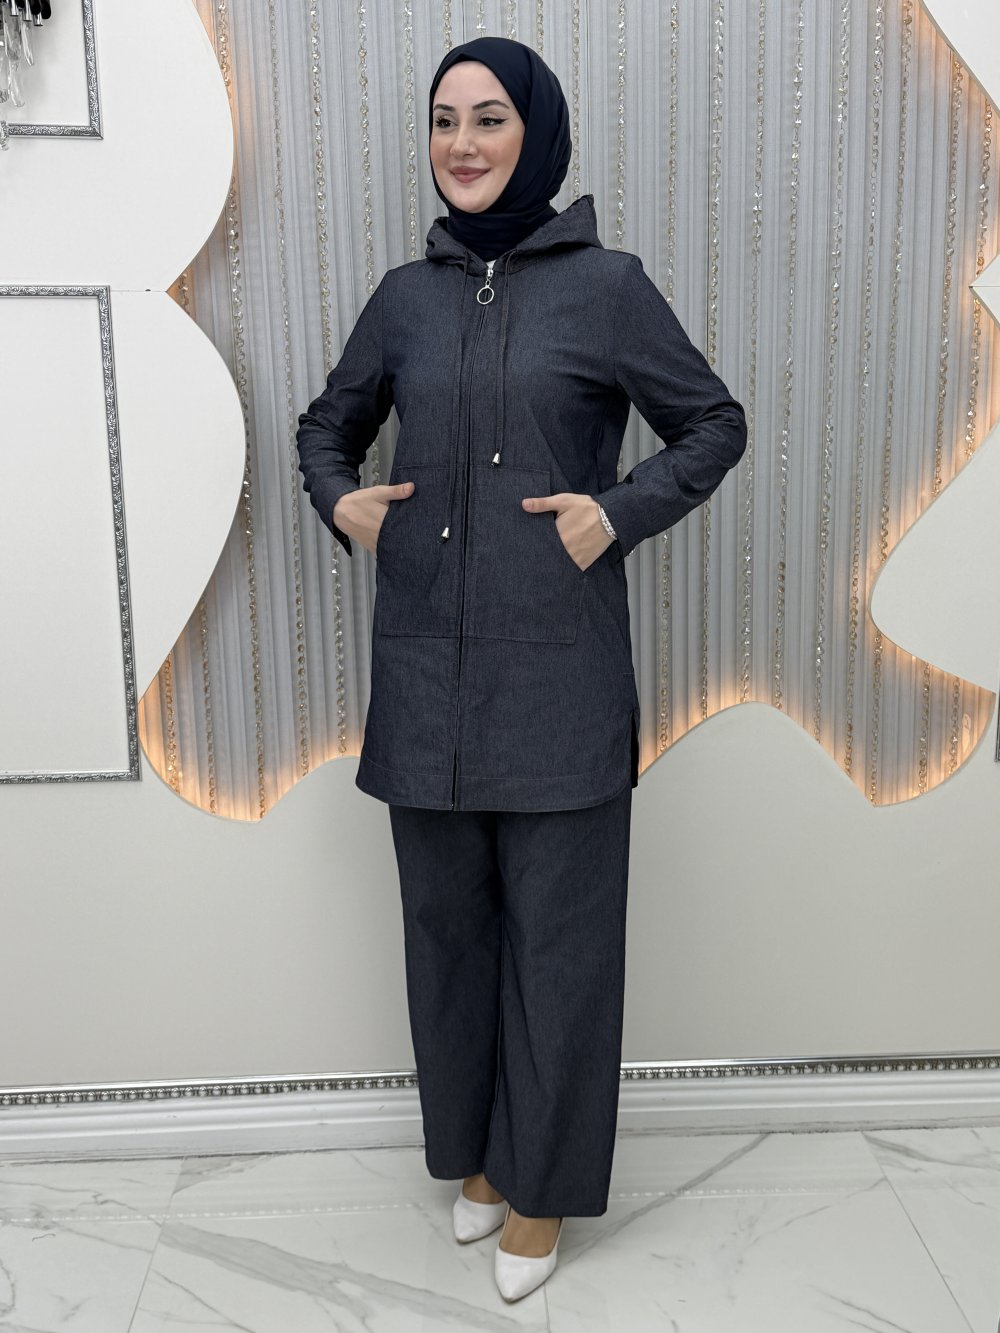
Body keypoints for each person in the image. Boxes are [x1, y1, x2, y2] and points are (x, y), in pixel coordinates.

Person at [296, 35, 747, 1303]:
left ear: (535, 132)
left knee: (558, 951)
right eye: (444, 121)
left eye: (488, 118)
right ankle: (482, 1159)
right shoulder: (405, 297)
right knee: (447, 941)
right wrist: (340, 498)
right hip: (423, 680)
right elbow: (328, 423)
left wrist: (618, 511)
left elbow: (713, 422)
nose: (463, 144)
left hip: (559, 682)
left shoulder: (607, 288)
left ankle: (540, 1188)